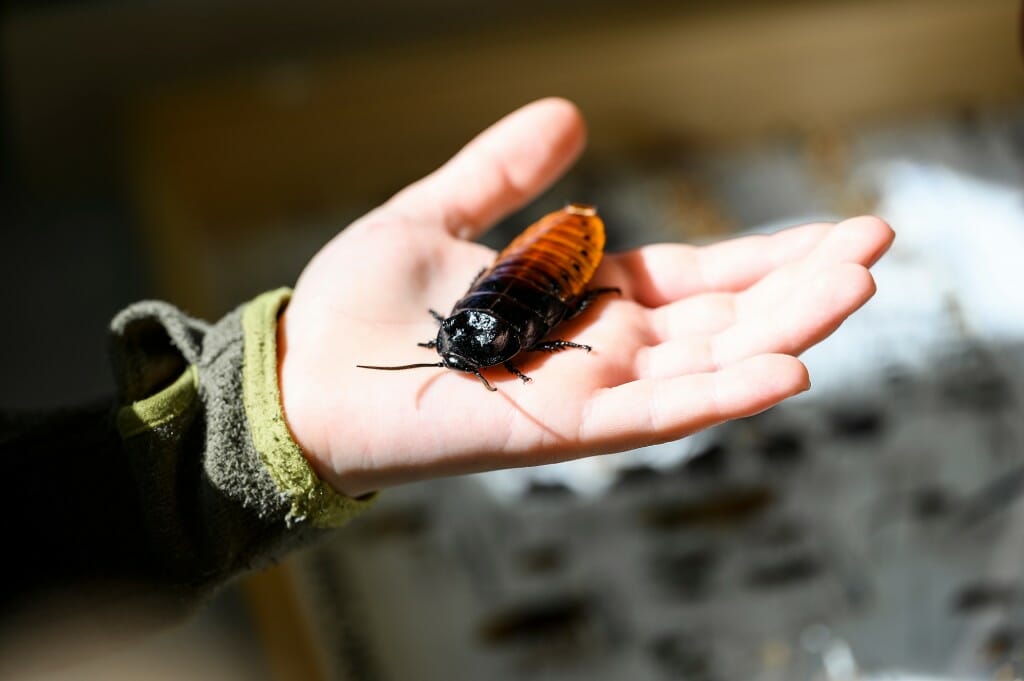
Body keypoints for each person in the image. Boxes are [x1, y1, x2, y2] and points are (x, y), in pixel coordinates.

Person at [1, 98, 893, 650]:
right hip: (533, 281)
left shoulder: (507, 318)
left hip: (547, 263)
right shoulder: (487, 334)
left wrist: (263, 405)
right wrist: (278, 404)